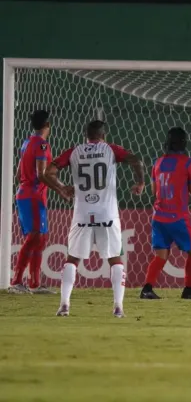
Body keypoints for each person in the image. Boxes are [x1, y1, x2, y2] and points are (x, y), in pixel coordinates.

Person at [44, 120, 145, 317]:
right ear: (103, 135)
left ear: (86, 136)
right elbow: (136, 160)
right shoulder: (110, 149)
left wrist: (62, 187)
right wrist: (140, 182)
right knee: (115, 259)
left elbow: (48, 172)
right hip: (107, 214)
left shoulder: (74, 151)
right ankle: (118, 307)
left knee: (72, 259)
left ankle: (64, 305)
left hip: (82, 213)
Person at [140, 128, 191, 300]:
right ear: (185, 142)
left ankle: (147, 288)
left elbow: (154, 190)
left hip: (158, 216)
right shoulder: (187, 163)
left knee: (161, 255)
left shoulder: (158, 162)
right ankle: (188, 289)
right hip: (177, 217)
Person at [10, 110, 60, 295]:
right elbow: (41, 174)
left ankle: (34, 283)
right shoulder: (42, 145)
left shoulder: (26, 143)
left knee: (41, 238)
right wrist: (60, 189)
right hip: (32, 196)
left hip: (27, 194)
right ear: (48, 125)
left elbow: (18, 174)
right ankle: (16, 281)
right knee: (34, 237)